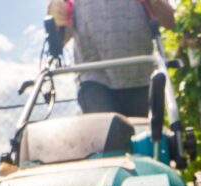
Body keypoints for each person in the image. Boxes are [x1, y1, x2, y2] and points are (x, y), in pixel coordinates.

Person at [47, 0, 175, 117]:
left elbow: (170, 21)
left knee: (140, 132)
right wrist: (57, 18)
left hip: (140, 78)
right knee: (109, 131)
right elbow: (60, 39)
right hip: (94, 78)